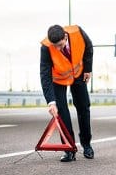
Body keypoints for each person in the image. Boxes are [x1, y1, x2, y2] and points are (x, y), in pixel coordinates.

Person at [40, 24, 94, 162]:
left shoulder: (77, 32)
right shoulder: (46, 47)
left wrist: (88, 69)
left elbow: (88, 47)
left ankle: (86, 145)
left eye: (60, 45)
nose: (57, 49)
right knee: (61, 112)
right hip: (58, 78)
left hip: (78, 73)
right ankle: (69, 149)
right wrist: (51, 102)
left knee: (83, 108)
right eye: (55, 46)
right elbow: (45, 74)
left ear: (65, 37)